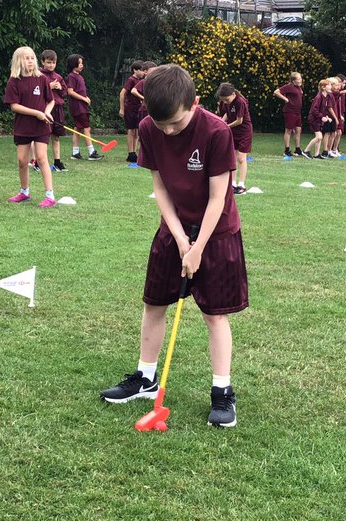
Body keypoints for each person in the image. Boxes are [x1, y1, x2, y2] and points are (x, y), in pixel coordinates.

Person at [100, 64, 247, 428]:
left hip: (217, 231)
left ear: (195, 103)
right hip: (174, 228)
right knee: (154, 303)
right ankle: (145, 378)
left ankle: (222, 392)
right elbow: (160, 187)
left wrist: (197, 248)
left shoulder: (215, 131)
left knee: (214, 314)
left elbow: (218, 197)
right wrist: (181, 239)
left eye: (176, 124)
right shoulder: (151, 127)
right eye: (161, 123)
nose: (168, 131)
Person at [3, 46, 57, 206]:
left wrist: (47, 112)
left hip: (41, 126)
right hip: (23, 127)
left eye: (32, 58)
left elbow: (51, 100)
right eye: (26, 58)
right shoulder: (14, 82)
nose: (30, 61)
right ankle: (24, 192)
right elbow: (14, 106)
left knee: (41, 158)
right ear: (18, 61)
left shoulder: (42, 79)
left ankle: (50, 196)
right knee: (22, 160)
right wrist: (36, 113)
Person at [216, 82, 252, 193]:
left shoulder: (240, 102)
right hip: (233, 132)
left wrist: (225, 126)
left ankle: (241, 185)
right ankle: (232, 183)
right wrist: (220, 122)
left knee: (241, 158)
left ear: (233, 94)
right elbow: (226, 113)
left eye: (226, 99)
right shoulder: (226, 102)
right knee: (232, 157)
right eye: (223, 100)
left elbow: (239, 121)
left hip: (244, 132)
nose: (225, 102)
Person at [65, 53, 100, 160]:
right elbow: (70, 91)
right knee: (86, 128)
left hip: (81, 106)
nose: (81, 65)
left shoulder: (79, 76)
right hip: (78, 107)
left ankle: (75, 153)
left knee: (78, 128)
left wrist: (86, 97)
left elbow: (79, 91)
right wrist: (83, 98)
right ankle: (91, 152)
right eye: (79, 63)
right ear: (73, 64)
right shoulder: (71, 76)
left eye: (82, 63)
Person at [40, 50, 68, 172]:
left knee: (56, 137)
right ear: (42, 62)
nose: (51, 65)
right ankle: (39, 162)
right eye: (48, 62)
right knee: (43, 137)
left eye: (53, 62)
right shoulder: (39, 76)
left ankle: (57, 162)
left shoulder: (58, 77)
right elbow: (35, 93)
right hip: (44, 109)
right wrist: (48, 87)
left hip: (57, 109)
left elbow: (65, 93)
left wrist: (60, 88)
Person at [119, 60, 147, 163]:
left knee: (136, 131)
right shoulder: (131, 80)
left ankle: (134, 153)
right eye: (141, 70)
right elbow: (122, 93)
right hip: (130, 108)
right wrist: (122, 108)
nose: (143, 72)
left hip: (138, 109)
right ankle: (130, 153)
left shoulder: (140, 81)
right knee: (131, 131)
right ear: (135, 70)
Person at [302, 78, 336, 158]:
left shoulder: (326, 97)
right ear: (323, 87)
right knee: (319, 137)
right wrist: (322, 117)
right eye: (329, 85)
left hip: (318, 119)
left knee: (319, 138)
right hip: (313, 119)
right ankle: (306, 151)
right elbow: (314, 109)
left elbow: (323, 109)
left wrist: (326, 117)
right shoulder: (319, 97)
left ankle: (317, 154)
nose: (331, 86)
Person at [274, 71, 304, 156]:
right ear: (293, 80)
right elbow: (276, 92)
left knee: (298, 130)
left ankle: (297, 149)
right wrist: (285, 99)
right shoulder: (289, 86)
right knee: (288, 130)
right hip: (290, 111)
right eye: (299, 78)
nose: (300, 79)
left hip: (297, 112)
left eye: (300, 78)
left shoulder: (298, 87)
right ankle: (287, 150)